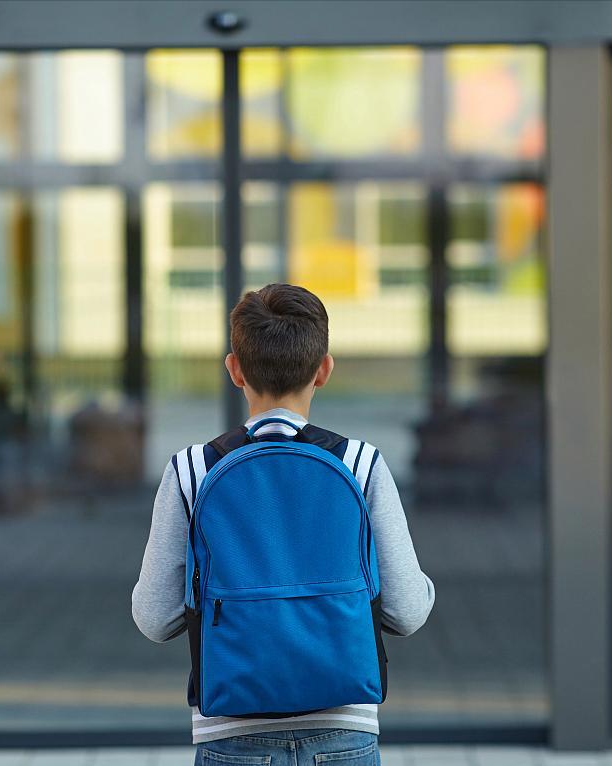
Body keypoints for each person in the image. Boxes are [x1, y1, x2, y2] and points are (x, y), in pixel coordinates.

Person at [132, 283, 435, 764]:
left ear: (234, 368)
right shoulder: (361, 465)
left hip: (230, 734)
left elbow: (154, 619)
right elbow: (407, 612)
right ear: (324, 369)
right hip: (344, 731)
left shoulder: (191, 470)